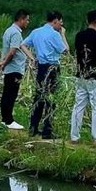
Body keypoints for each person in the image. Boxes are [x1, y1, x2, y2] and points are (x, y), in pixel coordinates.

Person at [70, 10, 96, 145]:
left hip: (81, 75)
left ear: (87, 21)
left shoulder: (79, 36)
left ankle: (74, 136)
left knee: (79, 106)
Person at [25, 11, 69, 140]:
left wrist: (32, 58)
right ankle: (47, 130)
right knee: (51, 99)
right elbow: (66, 50)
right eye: (60, 22)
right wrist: (63, 34)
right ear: (55, 21)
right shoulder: (55, 34)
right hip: (52, 67)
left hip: (41, 67)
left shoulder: (36, 32)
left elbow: (23, 44)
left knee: (39, 97)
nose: (61, 25)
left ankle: (33, 127)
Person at [0, 9, 32, 130]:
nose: (27, 22)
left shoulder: (9, 30)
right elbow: (12, 51)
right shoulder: (16, 33)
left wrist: (3, 62)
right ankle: (9, 120)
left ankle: (4, 119)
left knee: (6, 93)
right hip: (14, 68)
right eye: (27, 20)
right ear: (21, 19)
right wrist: (4, 62)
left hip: (10, 69)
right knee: (11, 94)